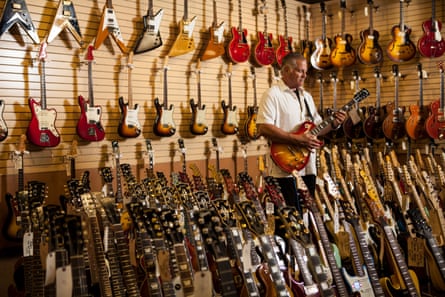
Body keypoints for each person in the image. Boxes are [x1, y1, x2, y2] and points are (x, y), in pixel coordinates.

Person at [256, 52, 346, 210]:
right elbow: (263, 127)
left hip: (308, 166)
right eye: (300, 71)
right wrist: (296, 139)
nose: (304, 75)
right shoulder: (272, 95)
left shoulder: (307, 97)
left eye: (305, 71)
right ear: (285, 70)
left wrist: (334, 124)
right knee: (290, 214)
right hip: (284, 168)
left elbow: (317, 126)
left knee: (308, 214)